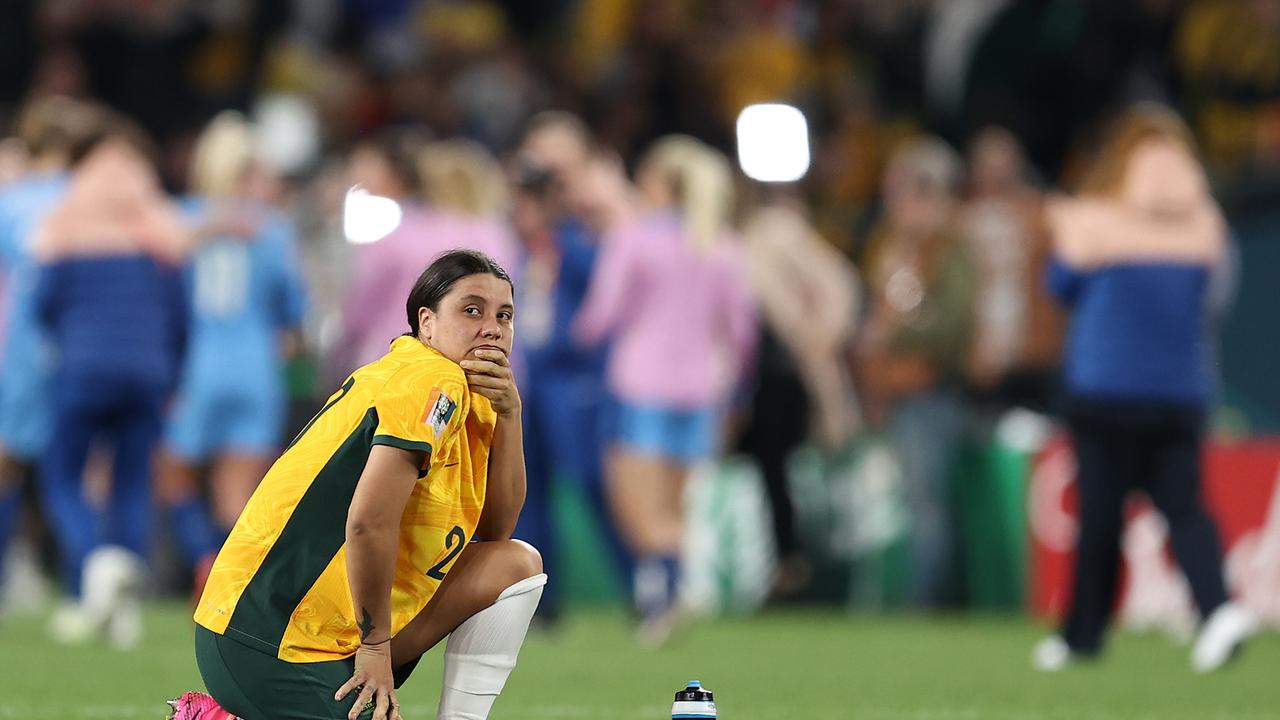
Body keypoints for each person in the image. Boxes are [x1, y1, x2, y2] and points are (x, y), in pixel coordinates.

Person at [172, 250, 545, 720]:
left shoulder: (470, 393)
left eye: (504, 315)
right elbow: (369, 522)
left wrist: (512, 416)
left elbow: (495, 533)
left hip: (324, 628)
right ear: (426, 323)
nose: (491, 327)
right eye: (472, 310)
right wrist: (375, 645)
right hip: (270, 637)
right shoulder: (433, 379)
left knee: (514, 563)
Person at [1032, 106, 1256, 673]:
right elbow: (1216, 300)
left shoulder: (1094, 220)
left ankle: (1082, 636)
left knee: (1101, 517)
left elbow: (1058, 284)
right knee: (1184, 509)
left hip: (1105, 390)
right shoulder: (1206, 226)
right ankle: (1217, 609)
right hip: (1178, 392)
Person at [574, 135, 756, 643]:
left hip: (641, 385)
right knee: (674, 506)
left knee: (635, 507)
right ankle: (666, 597)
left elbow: (600, 315)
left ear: (658, 183)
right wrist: (738, 389)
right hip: (702, 390)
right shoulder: (720, 243)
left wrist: (572, 334)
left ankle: (672, 591)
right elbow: (741, 329)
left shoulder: (635, 239)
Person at [34, 119, 191, 648]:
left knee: (62, 477)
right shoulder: (159, 230)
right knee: (130, 486)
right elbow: (180, 316)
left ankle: (92, 570)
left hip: (80, 370)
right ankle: (122, 607)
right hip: (147, 374)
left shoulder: (66, 223)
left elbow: (42, 307)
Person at [158, 111, 309, 595]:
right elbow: (295, 318)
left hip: (195, 365)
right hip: (256, 368)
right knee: (239, 496)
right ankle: (230, 587)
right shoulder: (273, 230)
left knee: (172, 476)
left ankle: (204, 556)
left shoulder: (181, 219)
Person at [855, 136, 977, 608]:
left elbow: (954, 324)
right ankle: (904, 595)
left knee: (927, 503)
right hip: (893, 391)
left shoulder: (949, 248)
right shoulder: (892, 247)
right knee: (906, 503)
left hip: (930, 391)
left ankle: (925, 601)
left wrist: (893, 339)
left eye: (899, 191)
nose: (891, 202)